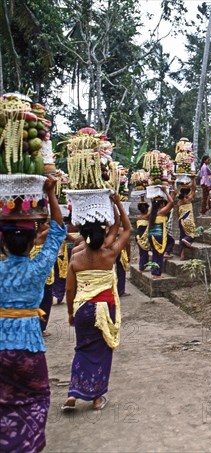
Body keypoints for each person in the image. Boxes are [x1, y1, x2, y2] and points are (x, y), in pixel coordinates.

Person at [0, 176, 66, 452]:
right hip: (29, 345)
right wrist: (50, 195)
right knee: (37, 396)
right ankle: (28, 444)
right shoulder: (38, 269)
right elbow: (59, 230)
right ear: (31, 243)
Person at [62, 194, 131, 411]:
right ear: (104, 236)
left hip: (82, 308)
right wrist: (117, 203)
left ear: (82, 235)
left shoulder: (75, 257)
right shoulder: (110, 254)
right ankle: (97, 398)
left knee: (82, 349)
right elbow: (125, 230)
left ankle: (73, 393)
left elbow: (70, 289)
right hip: (104, 309)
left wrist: (70, 313)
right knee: (102, 352)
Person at [29, 222, 55, 334]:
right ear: (39, 225)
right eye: (45, 223)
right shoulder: (42, 235)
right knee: (45, 302)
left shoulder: (29, 237)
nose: (47, 225)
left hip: (32, 274)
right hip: (44, 275)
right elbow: (56, 226)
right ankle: (40, 328)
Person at [147, 187, 174, 278]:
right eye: (163, 203)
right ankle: (157, 273)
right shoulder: (161, 212)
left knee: (155, 254)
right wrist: (165, 191)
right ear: (161, 204)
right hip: (159, 236)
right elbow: (171, 202)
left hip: (151, 235)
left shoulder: (152, 212)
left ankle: (154, 272)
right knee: (159, 254)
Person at [177, 177, 197, 260]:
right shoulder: (188, 199)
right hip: (188, 219)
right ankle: (187, 239)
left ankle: (182, 255)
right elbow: (194, 188)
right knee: (192, 233)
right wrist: (194, 178)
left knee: (182, 236)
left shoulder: (179, 201)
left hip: (181, 221)